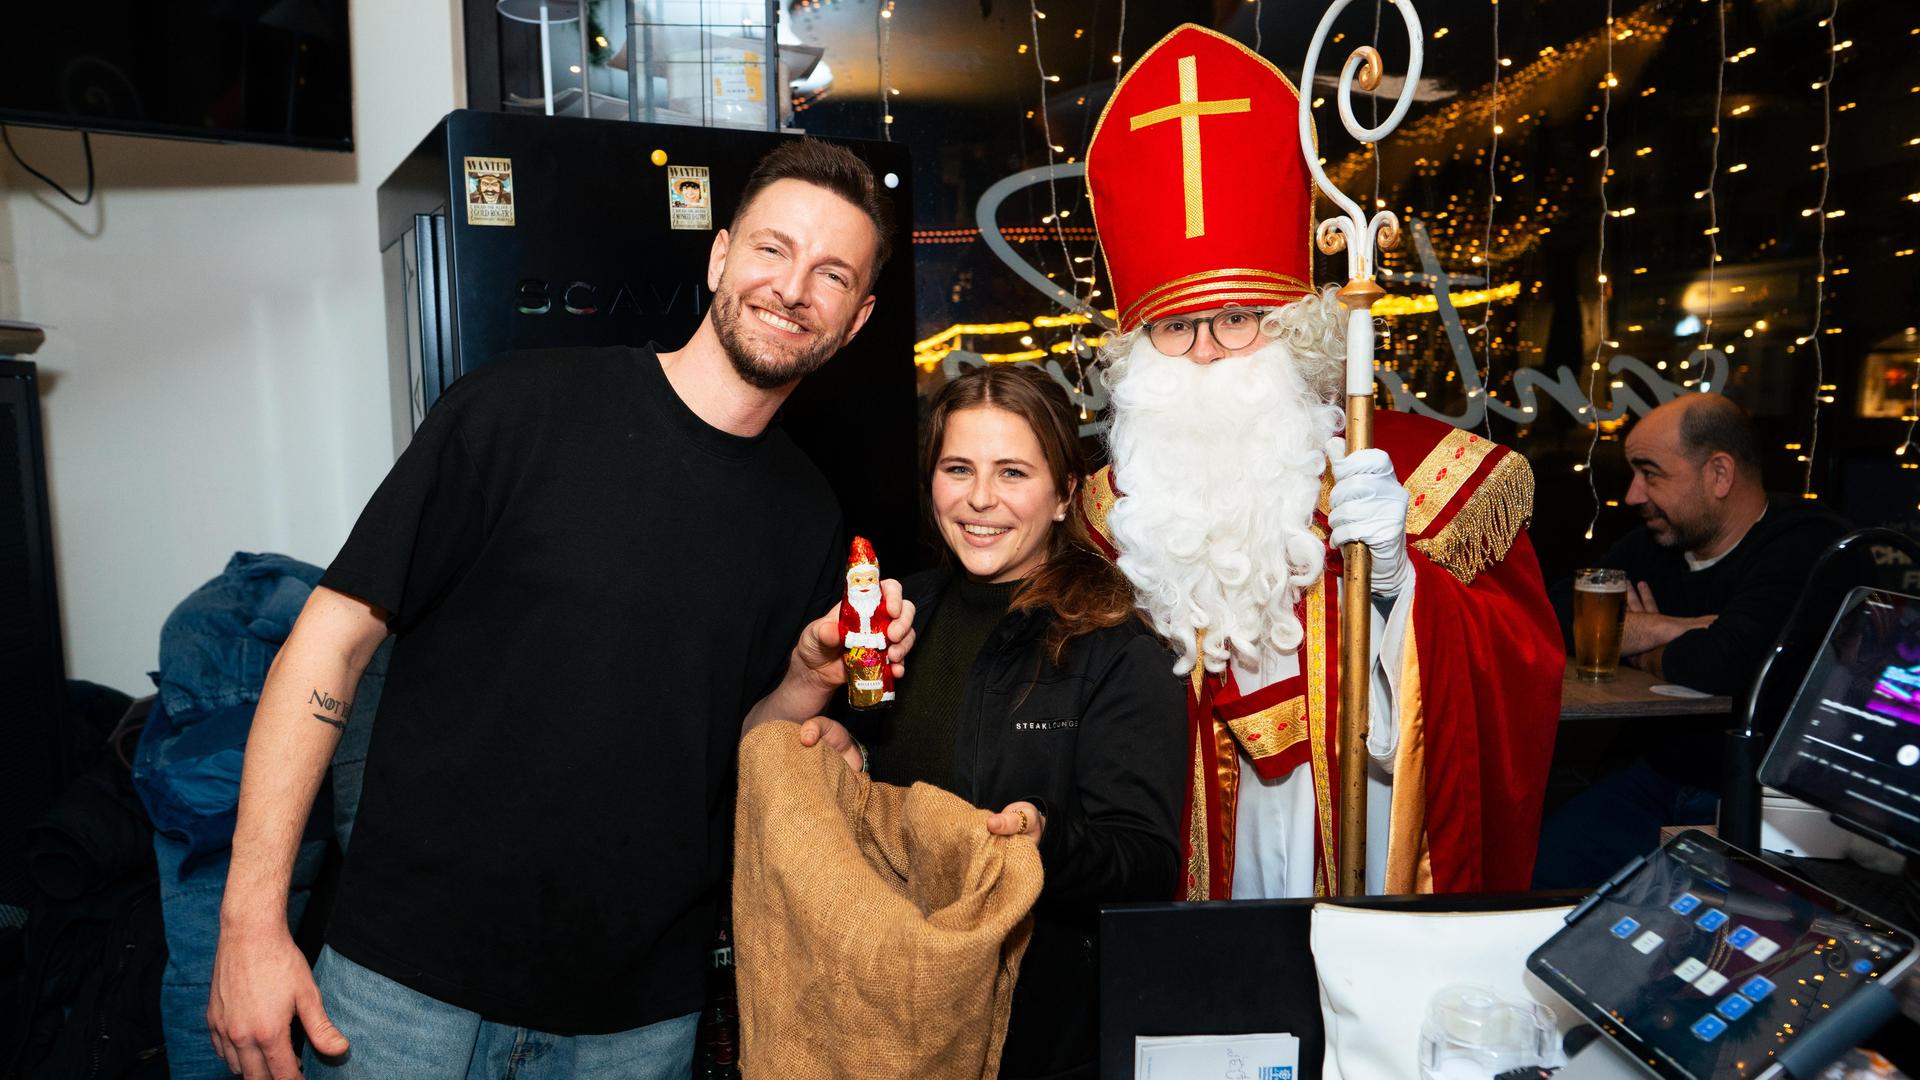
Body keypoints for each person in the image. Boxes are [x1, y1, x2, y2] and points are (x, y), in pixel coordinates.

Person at [204, 139, 917, 1080]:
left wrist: (803, 682)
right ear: (719, 257)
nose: (792, 289)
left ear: (858, 318)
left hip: (632, 1027)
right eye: (772, 250)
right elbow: (330, 642)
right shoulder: (516, 411)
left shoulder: (810, 515)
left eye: (831, 273)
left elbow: (727, 752)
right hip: (401, 992)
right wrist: (251, 923)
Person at [1076, 23, 1563, 900]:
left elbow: (1520, 673)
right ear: (1139, 347)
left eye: (1238, 318)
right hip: (1185, 847)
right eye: (1177, 326)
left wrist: (1400, 589)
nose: (1208, 350)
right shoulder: (1109, 510)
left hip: (1361, 826)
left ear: (1290, 328)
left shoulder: (1419, 476)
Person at [829, 364, 1184, 1079]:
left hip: (1032, 1032)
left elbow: (1144, 860)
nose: (980, 498)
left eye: (1013, 472)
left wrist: (1045, 838)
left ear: (1062, 496)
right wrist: (844, 754)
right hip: (887, 1007)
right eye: (958, 468)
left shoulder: (1116, 647)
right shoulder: (899, 615)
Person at [1532, 392, 1848, 889]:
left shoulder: (1806, 544)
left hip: (1760, 800)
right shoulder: (1654, 542)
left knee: (1677, 927)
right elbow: (1552, 614)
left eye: (1650, 473)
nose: (1634, 494)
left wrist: (1642, 646)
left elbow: (1723, 662)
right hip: (1657, 776)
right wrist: (1681, 627)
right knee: (1537, 876)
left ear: (1718, 474)